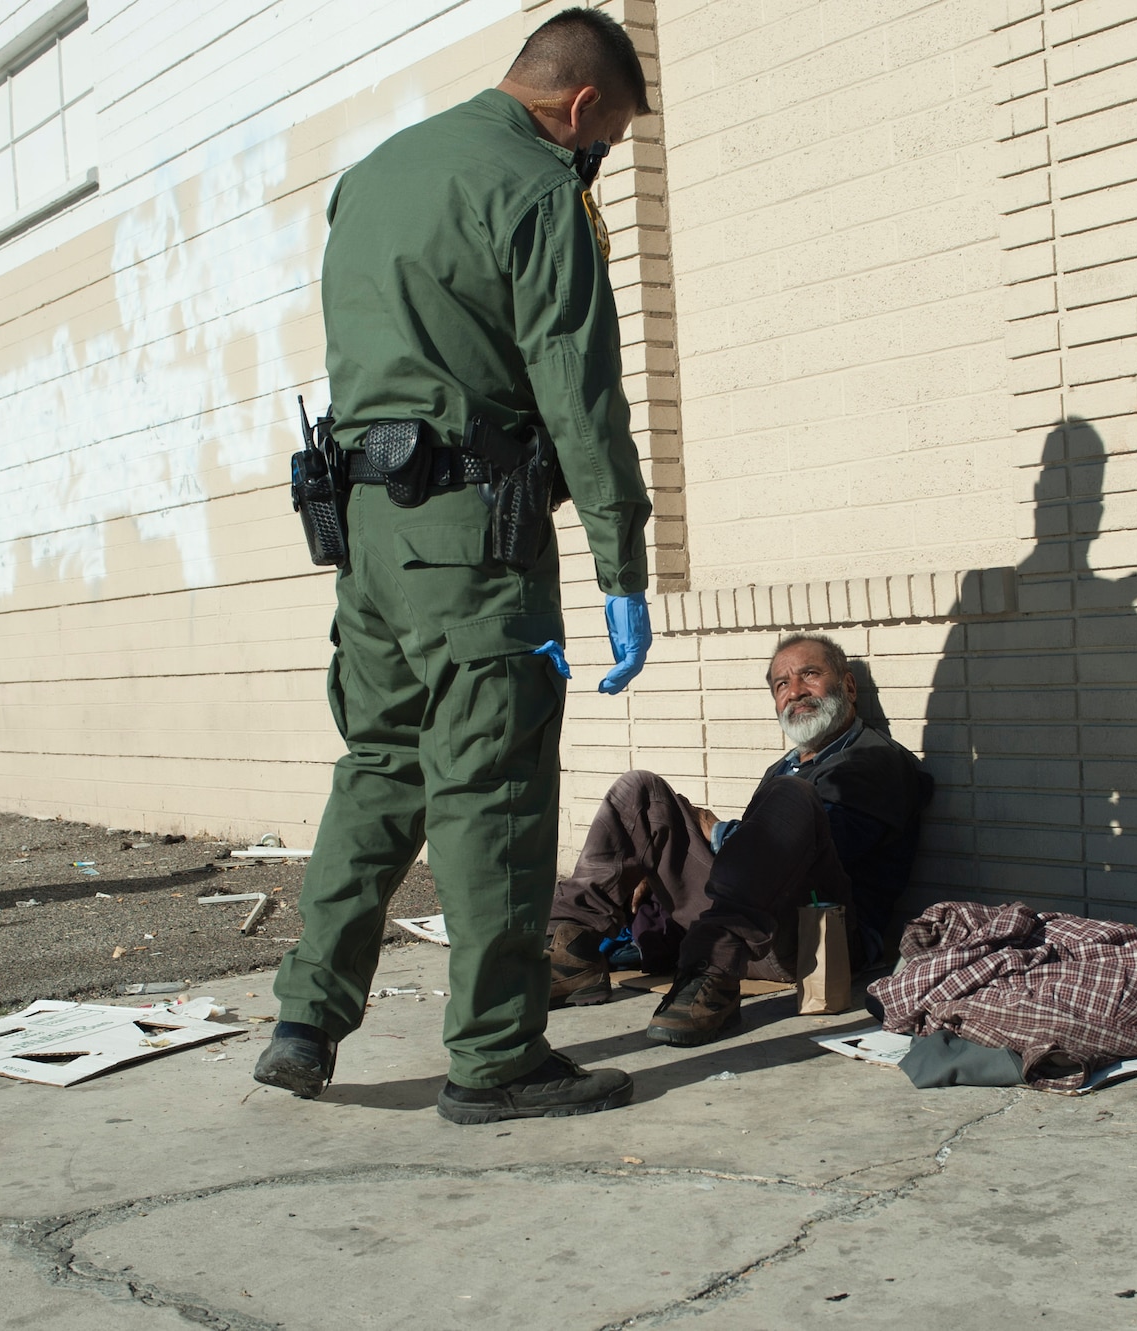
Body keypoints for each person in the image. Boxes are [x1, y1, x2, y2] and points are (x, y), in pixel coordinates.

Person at [254, 9, 657, 1123]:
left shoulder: (376, 174)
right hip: (476, 539)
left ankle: (304, 1019)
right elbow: (579, 393)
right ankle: (494, 1056)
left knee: (380, 765)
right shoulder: (535, 190)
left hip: (367, 532)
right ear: (578, 108)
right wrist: (620, 559)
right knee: (494, 787)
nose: (602, 160)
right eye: (609, 140)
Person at [547, 634, 935, 1046]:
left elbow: (810, 857)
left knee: (790, 795)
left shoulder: (875, 761)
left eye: (810, 675)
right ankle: (571, 954)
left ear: (848, 687)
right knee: (640, 793)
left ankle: (713, 975)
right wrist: (643, 863)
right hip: (741, 928)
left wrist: (714, 828)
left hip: (814, 942)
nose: (796, 691)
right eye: (781, 684)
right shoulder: (785, 767)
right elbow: (751, 863)